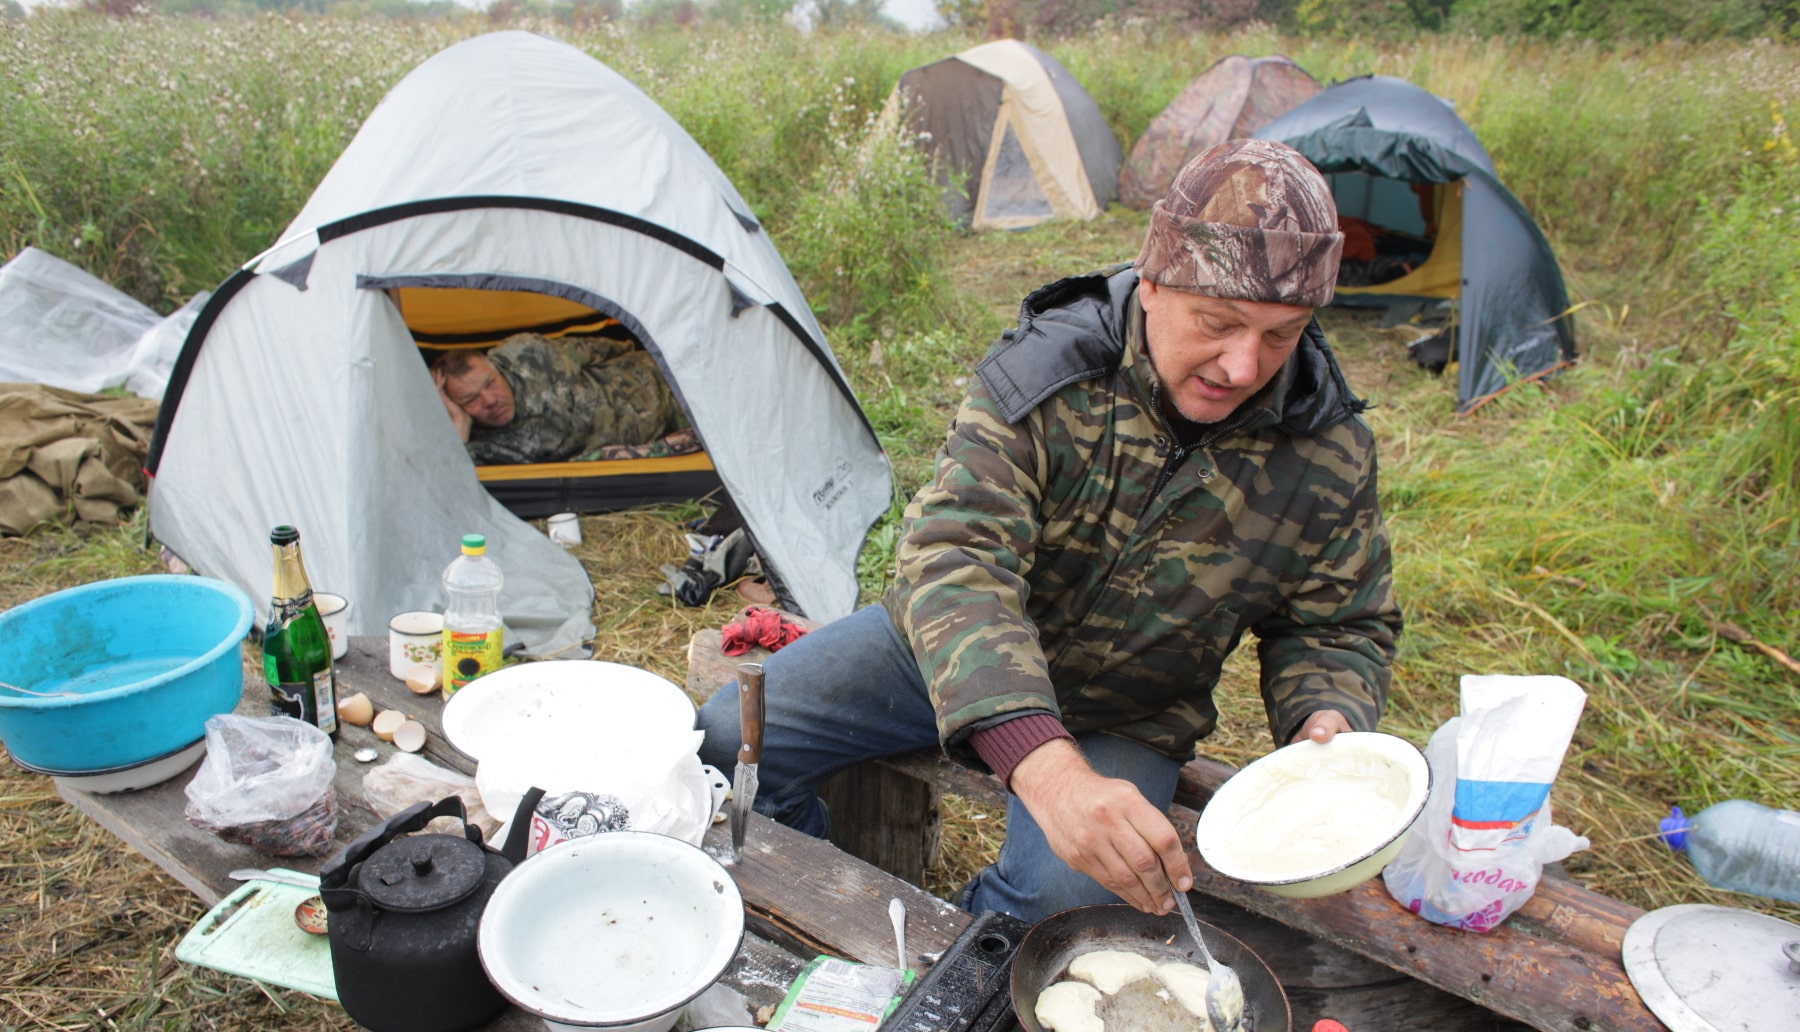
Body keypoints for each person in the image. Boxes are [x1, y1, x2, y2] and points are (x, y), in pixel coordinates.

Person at [696, 140, 1403, 924]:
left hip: (1125, 708)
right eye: (1219, 322)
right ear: (1157, 285)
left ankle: (954, 972)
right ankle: (822, 914)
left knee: (1064, 905)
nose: (1243, 365)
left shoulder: (1324, 447)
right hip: (937, 653)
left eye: (1282, 335)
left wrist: (1325, 717)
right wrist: (1042, 766)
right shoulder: (1053, 372)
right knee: (726, 746)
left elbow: (1339, 620)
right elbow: (957, 555)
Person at [431, 332, 681, 466]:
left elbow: (594, 349)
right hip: (664, 427)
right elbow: (454, 487)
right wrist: (459, 428)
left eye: (490, 384)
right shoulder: (482, 448)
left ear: (496, 368)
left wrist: (644, 350)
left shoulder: (527, 354)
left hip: (662, 379)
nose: (489, 400)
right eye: (470, 399)